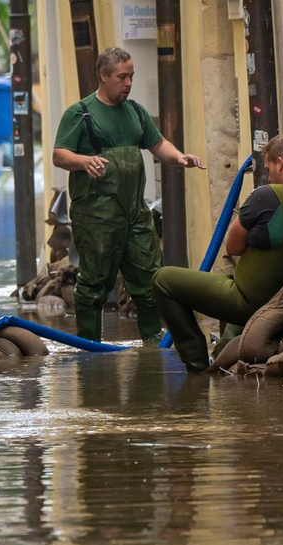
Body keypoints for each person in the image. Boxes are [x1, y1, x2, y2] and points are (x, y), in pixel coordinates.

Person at [51, 46, 206, 344]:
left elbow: (158, 144)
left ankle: (153, 342)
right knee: (94, 283)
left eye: (131, 76)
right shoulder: (80, 113)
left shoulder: (135, 111)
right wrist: (84, 161)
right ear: (104, 75)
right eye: (122, 76)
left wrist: (180, 157)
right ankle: (89, 347)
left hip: (135, 213)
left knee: (150, 279)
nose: (129, 82)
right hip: (96, 216)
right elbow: (59, 155)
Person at [153, 134, 283, 372]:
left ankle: (197, 366)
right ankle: (222, 355)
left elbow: (232, 246)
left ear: (280, 162)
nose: (269, 175)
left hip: (250, 301)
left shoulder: (268, 195)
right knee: (228, 337)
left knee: (163, 279)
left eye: (269, 167)